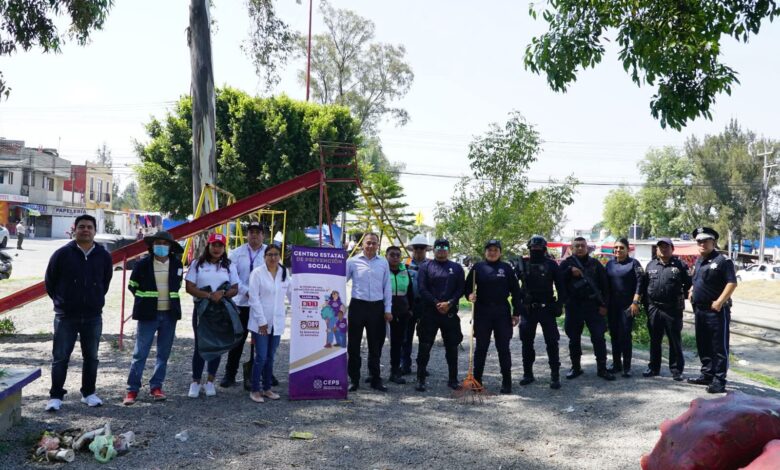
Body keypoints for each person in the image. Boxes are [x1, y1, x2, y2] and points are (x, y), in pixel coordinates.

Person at [44, 214, 113, 411]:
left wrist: (93, 299)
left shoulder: (103, 256)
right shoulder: (62, 254)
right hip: (66, 316)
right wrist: (63, 302)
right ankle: (56, 396)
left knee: (91, 357)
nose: (85, 230)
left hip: (92, 316)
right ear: (74, 229)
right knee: (60, 357)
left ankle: (89, 393)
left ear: (95, 231)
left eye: (89, 227)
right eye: (81, 226)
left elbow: (105, 282)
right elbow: (50, 281)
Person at [123, 231, 184, 405]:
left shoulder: (177, 264)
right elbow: (132, 286)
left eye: (165, 244)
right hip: (148, 315)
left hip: (169, 315)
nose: (161, 246)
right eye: (158, 243)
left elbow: (177, 285)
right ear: (152, 246)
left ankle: (156, 387)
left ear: (171, 247)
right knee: (140, 353)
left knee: (163, 354)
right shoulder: (142, 264)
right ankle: (132, 390)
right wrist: (146, 301)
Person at [185, 233, 240, 398]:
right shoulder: (197, 264)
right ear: (208, 246)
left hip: (221, 310)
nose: (217, 249)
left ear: (224, 248)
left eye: (220, 246)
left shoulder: (229, 265)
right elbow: (189, 287)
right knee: (200, 345)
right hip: (202, 309)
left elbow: (235, 288)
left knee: (217, 345)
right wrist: (208, 295)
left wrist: (222, 293)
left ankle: (210, 381)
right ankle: (195, 382)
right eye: (214, 245)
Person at [464, 239, 522, 394]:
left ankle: (507, 382)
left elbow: (516, 292)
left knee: (503, 348)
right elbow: (467, 288)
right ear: (485, 252)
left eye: (496, 250)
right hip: (482, 311)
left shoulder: (506, 268)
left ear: (500, 252)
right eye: (489, 250)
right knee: (481, 348)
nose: (492, 252)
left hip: (502, 311)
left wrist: (516, 313)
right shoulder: (477, 268)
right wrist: (469, 296)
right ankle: (477, 381)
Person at [688, 227, 738, 394]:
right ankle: (707, 374)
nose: (702, 243)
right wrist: (692, 289)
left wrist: (719, 301)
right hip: (700, 309)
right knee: (703, 344)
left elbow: (732, 283)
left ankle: (719, 380)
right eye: (699, 241)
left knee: (718, 346)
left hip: (716, 310)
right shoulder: (699, 261)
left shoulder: (723, 261)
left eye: (705, 240)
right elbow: (698, 280)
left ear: (713, 242)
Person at [559, 237, 614, 381]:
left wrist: (604, 305)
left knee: (598, 337)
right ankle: (576, 368)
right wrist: (569, 271)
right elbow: (558, 281)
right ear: (571, 248)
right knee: (574, 338)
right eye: (576, 246)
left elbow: (605, 286)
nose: (580, 248)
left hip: (593, 306)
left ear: (587, 247)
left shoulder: (595, 264)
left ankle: (602, 368)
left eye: (582, 246)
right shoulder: (566, 264)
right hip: (574, 307)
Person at [219, 221, 266, 388]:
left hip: (261, 304)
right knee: (237, 340)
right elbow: (232, 277)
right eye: (251, 232)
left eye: (258, 232)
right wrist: (247, 291)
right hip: (241, 303)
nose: (254, 235)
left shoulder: (269, 252)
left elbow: (273, 274)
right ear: (247, 235)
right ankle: (230, 374)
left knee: (262, 341)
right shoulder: (237, 253)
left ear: (263, 235)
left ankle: (264, 373)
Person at [415, 238, 465, 392]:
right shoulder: (425, 267)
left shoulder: (456, 268)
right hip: (430, 311)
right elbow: (422, 288)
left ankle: (453, 379)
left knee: (452, 347)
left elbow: (460, 289)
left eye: (445, 247)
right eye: (438, 247)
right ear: (433, 249)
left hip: (450, 312)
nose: (441, 250)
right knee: (424, 346)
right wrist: (436, 302)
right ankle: (420, 379)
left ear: (449, 250)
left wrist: (449, 303)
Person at [345, 233, 393, 392]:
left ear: (378, 245)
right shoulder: (352, 262)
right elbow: (341, 281)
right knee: (353, 345)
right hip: (357, 306)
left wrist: (388, 309)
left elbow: (387, 287)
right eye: (368, 243)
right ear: (362, 244)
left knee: (375, 345)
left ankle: (375, 379)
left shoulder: (383, 262)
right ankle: (354, 379)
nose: (371, 246)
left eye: (374, 243)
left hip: (377, 308)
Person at [516, 235, 564, 389]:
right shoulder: (522, 264)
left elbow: (561, 286)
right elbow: (513, 287)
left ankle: (555, 375)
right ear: (529, 248)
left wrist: (559, 304)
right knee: (526, 343)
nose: (536, 249)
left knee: (552, 342)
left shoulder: (551, 265)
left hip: (547, 308)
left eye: (539, 247)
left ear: (544, 248)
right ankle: (527, 374)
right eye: (533, 247)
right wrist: (517, 306)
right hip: (528, 309)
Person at [641, 238, 691, 381]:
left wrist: (680, 299)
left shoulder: (680, 265)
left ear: (672, 249)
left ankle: (676, 370)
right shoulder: (651, 265)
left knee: (674, 340)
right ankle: (653, 367)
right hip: (654, 308)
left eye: (666, 247)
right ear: (657, 249)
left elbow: (689, 285)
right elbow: (644, 286)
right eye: (660, 247)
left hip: (672, 309)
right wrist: (647, 305)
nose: (663, 249)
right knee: (655, 339)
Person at [247, 244, 291, 403]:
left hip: (277, 322)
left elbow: (291, 294)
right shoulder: (257, 273)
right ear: (264, 256)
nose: (273, 258)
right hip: (260, 323)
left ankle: (267, 388)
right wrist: (261, 321)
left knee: (271, 357)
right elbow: (253, 298)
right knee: (261, 357)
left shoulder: (284, 272)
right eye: (270, 254)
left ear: (280, 256)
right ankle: (255, 390)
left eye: (276, 254)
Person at [605, 237, 645, 378]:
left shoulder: (634, 263)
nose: (618, 250)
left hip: (628, 306)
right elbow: (605, 285)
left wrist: (635, 302)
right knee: (614, 335)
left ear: (628, 249)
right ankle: (616, 364)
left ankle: (627, 367)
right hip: (612, 306)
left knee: (625, 336)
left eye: (622, 247)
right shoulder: (609, 264)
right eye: (616, 247)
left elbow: (640, 283)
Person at [400, 234, 430, 376]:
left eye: (421, 248)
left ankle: (421, 366)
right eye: (416, 247)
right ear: (412, 249)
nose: (418, 250)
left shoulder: (431, 264)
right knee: (406, 337)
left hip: (425, 305)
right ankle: (405, 364)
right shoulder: (404, 263)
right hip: (408, 305)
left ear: (426, 249)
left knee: (425, 338)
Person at [385, 245, 416, 385]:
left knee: (397, 343)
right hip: (384, 311)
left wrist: (410, 309)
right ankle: (373, 373)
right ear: (386, 256)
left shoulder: (405, 271)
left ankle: (395, 371)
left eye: (398, 255)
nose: (395, 258)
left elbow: (410, 292)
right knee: (377, 342)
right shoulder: (382, 270)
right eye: (392, 255)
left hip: (402, 312)